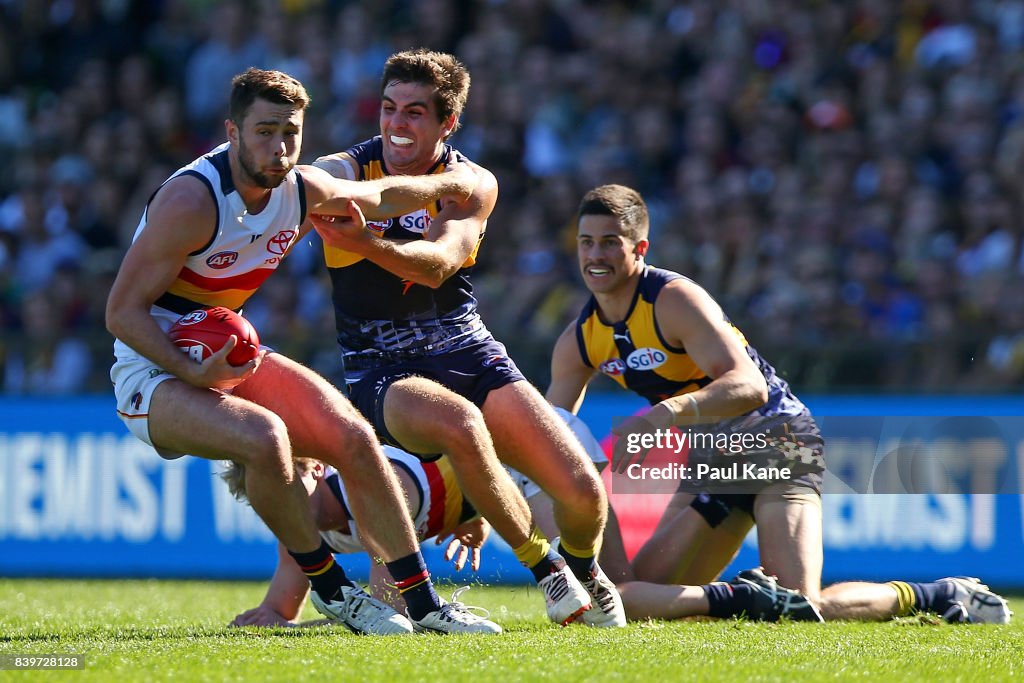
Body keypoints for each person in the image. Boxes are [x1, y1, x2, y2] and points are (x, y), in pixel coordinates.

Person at [105, 67, 499, 636]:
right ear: (232, 132)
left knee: (354, 438)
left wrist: (446, 185)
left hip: (225, 349)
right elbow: (121, 313)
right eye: (264, 131)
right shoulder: (192, 199)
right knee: (267, 439)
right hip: (151, 368)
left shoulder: (299, 187)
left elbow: (379, 195)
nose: (279, 147)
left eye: (290, 132)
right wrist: (189, 368)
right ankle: (336, 592)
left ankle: (425, 605)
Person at [546, 183, 1012, 624]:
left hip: (777, 439)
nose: (595, 256)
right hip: (716, 460)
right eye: (586, 243)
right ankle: (742, 597)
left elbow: (750, 386)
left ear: (639, 249)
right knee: (638, 597)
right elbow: (547, 434)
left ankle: (941, 595)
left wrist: (666, 413)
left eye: (610, 242)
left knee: (802, 607)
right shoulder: (579, 341)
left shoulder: (674, 300)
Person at [308, 49, 626, 628]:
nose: (396, 124)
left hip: (467, 349)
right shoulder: (345, 169)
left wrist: (368, 242)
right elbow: (331, 185)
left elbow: (435, 265)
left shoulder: (474, 182)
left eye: (414, 113)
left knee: (582, 492)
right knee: (458, 424)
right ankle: (546, 569)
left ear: (447, 124)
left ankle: (584, 571)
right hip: (382, 364)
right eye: (388, 108)